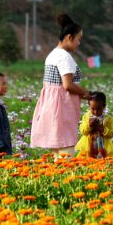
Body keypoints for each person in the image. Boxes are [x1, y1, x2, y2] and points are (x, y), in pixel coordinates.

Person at [30, 14, 91, 158]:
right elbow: (68, 85)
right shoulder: (64, 57)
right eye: (78, 39)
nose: (79, 43)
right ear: (69, 37)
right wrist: (86, 93)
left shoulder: (52, 54)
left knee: (57, 151)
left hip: (51, 107)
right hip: (62, 107)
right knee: (66, 149)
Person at [75, 92, 113, 159]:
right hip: (88, 146)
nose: (96, 112)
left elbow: (112, 133)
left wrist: (102, 129)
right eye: (93, 109)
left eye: (99, 109)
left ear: (104, 106)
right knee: (87, 161)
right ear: (89, 106)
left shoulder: (107, 119)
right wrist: (89, 125)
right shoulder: (87, 117)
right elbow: (83, 131)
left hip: (103, 146)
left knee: (103, 162)